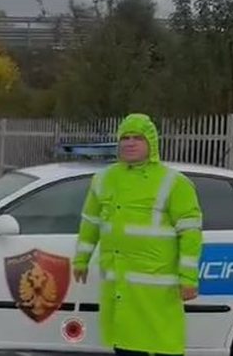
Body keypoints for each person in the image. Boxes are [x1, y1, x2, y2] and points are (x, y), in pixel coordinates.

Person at [72, 113, 203, 356]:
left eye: (138, 138)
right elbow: (90, 222)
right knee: (125, 345)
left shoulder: (173, 182)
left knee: (163, 347)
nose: (130, 143)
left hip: (157, 292)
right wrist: (81, 259)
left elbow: (190, 233)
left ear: (151, 143)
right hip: (120, 289)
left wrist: (189, 279)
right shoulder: (103, 179)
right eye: (125, 137)